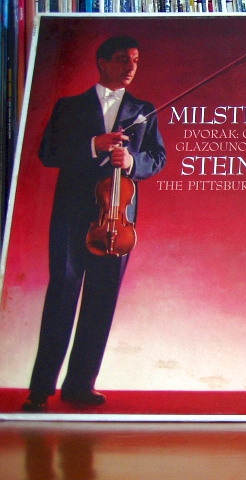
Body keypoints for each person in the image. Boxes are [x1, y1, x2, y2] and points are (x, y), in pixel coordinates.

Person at [22, 36, 166, 412]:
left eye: (135, 60)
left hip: (116, 218)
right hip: (72, 215)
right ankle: (40, 390)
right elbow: (48, 152)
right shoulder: (69, 106)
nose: (131, 67)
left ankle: (80, 386)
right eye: (122, 59)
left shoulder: (144, 110)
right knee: (62, 295)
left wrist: (132, 162)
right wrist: (94, 145)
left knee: (102, 301)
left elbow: (157, 157)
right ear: (102, 62)